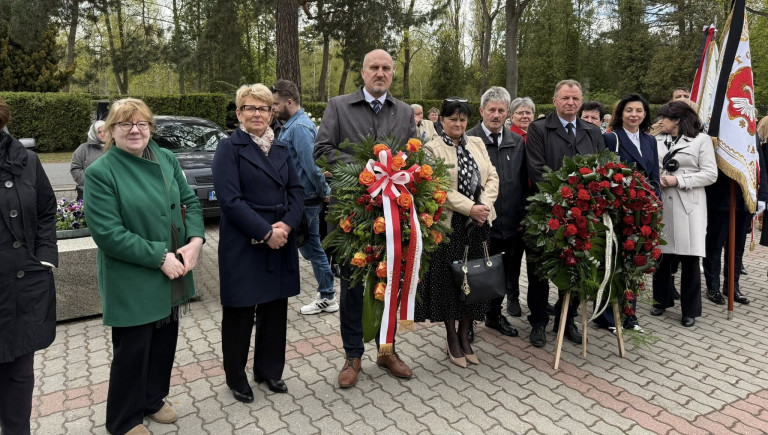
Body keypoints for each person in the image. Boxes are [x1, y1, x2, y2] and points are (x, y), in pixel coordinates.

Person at [84, 98, 205, 435]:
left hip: (174, 269)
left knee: (165, 342)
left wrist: (195, 242)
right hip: (134, 274)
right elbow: (108, 234)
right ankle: (123, 420)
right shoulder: (101, 172)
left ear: (151, 128)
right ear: (111, 131)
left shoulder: (165, 157)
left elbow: (190, 202)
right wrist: (159, 257)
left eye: (142, 124)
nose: (134, 130)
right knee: (133, 352)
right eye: (125, 124)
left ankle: (152, 399)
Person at [314, 49, 417, 388]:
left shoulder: (403, 111)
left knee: (390, 282)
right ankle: (352, 355)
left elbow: (414, 155)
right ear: (362, 72)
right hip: (352, 214)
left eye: (386, 68)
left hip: (394, 214)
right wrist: (367, 171)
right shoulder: (338, 106)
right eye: (374, 67)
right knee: (354, 287)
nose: (380, 73)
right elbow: (321, 150)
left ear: (392, 74)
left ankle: (386, 350)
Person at [214, 84, 304, 403]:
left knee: (274, 308)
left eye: (263, 108)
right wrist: (267, 232)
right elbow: (230, 200)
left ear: (271, 113)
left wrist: (288, 224)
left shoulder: (281, 147)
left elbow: (296, 191)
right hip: (245, 243)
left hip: (280, 238)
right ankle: (236, 376)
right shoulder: (229, 148)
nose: (257, 114)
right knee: (240, 312)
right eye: (250, 108)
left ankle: (268, 370)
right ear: (239, 113)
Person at [417, 97, 499, 367]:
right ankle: (452, 336)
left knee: (475, 282)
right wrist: (469, 208)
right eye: (452, 119)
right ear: (441, 120)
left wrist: (483, 206)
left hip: (479, 225)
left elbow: (492, 177)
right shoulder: (431, 149)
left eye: (462, 119)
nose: (458, 123)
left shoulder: (476, 143)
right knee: (450, 283)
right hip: (450, 226)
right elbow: (437, 186)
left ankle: (466, 335)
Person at [526, 79, 605, 347]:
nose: (571, 103)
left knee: (574, 269)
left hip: (582, 215)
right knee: (539, 271)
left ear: (581, 102)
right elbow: (536, 170)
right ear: (555, 100)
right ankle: (538, 321)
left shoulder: (592, 132)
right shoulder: (539, 129)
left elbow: (600, 168)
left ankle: (566, 319)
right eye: (565, 98)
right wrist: (564, 196)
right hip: (547, 211)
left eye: (575, 99)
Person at [0, 99, 57, 435]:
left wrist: (45, 255)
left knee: (19, 376)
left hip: (22, 286)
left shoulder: (26, 160)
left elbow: (47, 211)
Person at [271, 79, 336, 316]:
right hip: (302, 197)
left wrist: (324, 192)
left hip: (306, 199)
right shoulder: (292, 125)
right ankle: (327, 294)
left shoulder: (298, 128)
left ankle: (328, 295)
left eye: (276, 104)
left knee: (309, 248)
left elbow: (312, 166)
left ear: (290, 101)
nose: (273, 109)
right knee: (312, 246)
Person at [650, 100, 717, 328]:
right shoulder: (657, 140)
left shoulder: (701, 140)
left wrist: (679, 180)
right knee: (662, 256)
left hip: (688, 205)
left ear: (677, 119)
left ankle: (690, 310)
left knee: (689, 259)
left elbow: (710, 174)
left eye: (665, 118)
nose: (661, 122)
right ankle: (661, 300)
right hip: (662, 204)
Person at [598, 93, 660, 333]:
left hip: (644, 213)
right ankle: (607, 317)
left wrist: (656, 205)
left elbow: (654, 176)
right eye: (629, 110)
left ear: (645, 114)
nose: (634, 115)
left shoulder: (650, 141)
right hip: (619, 211)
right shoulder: (611, 138)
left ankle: (630, 316)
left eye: (639, 111)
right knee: (613, 263)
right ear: (620, 114)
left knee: (636, 263)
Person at [466, 87, 524, 337]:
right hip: (479, 221)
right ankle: (467, 323)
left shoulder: (517, 141)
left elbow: (521, 181)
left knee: (500, 274)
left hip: (510, 222)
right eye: (492, 110)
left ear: (507, 113)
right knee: (474, 274)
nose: (497, 115)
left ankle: (493, 315)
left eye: (501, 110)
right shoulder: (468, 140)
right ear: (482, 111)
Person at [703, 125, 767, 306]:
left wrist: (762, 196)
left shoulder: (750, 131)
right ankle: (712, 286)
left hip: (745, 200)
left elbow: (759, 164)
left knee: (737, 247)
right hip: (720, 199)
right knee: (714, 245)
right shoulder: (717, 127)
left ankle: (732, 286)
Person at [70, 120, 106, 200]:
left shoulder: (116, 147)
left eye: (105, 131)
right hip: (88, 193)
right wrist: (91, 181)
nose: (103, 134)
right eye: (99, 132)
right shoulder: (83, 149)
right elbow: (75, 169)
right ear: (94, 134)